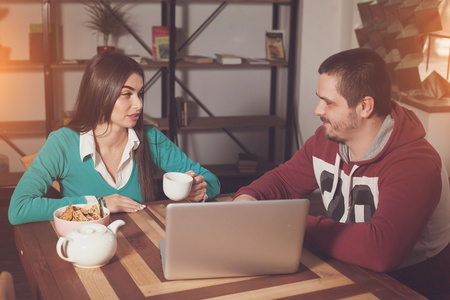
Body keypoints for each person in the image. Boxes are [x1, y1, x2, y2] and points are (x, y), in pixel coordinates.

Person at [234, 48, 450, 298]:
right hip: (347, 270)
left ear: (364, 107)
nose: (318, 110)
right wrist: (247, 200)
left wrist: (288, 224)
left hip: (406, 288)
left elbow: (380, 251)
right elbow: (283, 181)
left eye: (328, 102)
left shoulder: (415, 164)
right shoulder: (325, 140)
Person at [9, 52, 220, 225]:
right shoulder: (62, 143)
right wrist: (98, 206)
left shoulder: (150, 137)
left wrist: (199, 190)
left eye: (140, 94)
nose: (138, 104)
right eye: (127, 94)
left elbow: (210, 179)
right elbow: (19, 209)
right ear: (101, 96)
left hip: (143, 249)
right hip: (86, 251)